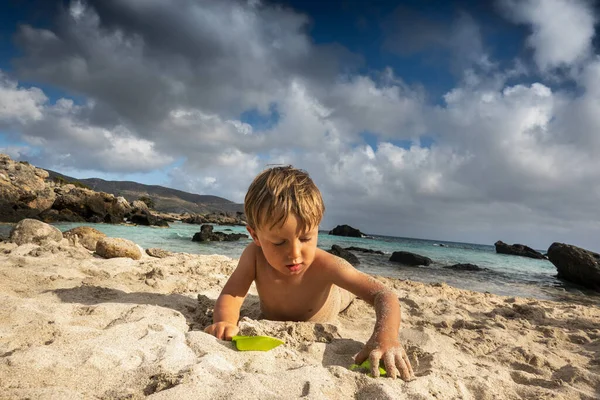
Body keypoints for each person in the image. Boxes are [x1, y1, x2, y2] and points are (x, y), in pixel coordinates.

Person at [204, 166, 414, 380]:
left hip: (335, 298)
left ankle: (349, 290)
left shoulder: (326, 265)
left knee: (349, 290)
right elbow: (231, 294)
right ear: (255, 235)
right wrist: (225, 322)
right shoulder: (253, 256)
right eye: (279, 242)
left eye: (305, 239)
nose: (295, 253)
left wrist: (385, 336)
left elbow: (383, 295)